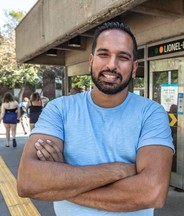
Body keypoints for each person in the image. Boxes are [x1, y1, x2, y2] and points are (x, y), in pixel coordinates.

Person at [17, 22, 174, 216]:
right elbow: (28, 182)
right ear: (91, 61)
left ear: (134, 68)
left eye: (123, 57)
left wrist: (61, 183)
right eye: (103, 54)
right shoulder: (60, 109)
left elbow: (152, 193)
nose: (111, 65)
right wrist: (118, 170)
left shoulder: (151, 113)